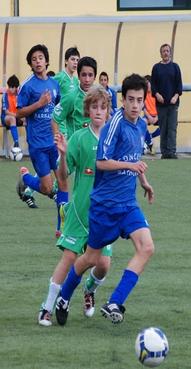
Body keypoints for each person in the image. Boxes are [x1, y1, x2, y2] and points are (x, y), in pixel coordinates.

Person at [55, 74, 155, 326]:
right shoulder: (115, 125)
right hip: (104, 206)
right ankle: (63, 297)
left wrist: (143, 182)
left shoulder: (141, 125)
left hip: (128, 204)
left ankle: (115, 302)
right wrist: (131, 166)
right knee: (90, 259)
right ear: (122, 100)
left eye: (139, 100)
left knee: (147, 247)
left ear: (144, 101)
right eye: (130, 99)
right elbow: (101, 162)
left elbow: (134, 159)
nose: (135, 105)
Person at [38, 86, 113, 326]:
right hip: (79, 212)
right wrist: (62, 153)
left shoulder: (113, 138)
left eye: (103, 107)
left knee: (103, 264)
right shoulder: (79, 139)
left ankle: (89, 290)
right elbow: (62, 178)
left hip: (103, 213)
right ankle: (46, 308)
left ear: (108, 111)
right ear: (88, 111)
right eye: (94, 107)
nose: (98, 111)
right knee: (69, 257)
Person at [16, 44, 64, 208]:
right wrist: (39, 103)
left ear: (46, 61)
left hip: (53, 143)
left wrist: (59, 133)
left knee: (63, 184)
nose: (37, 62)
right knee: (47, 188)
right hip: (37, 144)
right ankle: (26, 178)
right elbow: (19, 113)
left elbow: (58, 109)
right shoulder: (27, 85)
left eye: (40, 58)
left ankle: (63, 227)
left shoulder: (54, 84)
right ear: (30, 64)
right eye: (34, 59)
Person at [52, 56, 97, 139]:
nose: (87, 79)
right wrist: (60, 143)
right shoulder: (71, 97)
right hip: (76, 149)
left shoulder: (99, 96)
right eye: (84, 75)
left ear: (95, 77)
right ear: (78, 76)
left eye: (90, 75)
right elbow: (55, 119)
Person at [151, 43, 182, 159]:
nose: (165, 53)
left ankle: (172, 152)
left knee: (172, 127)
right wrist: (157, 94)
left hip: (173, 104)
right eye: (163, 51)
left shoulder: (175, 67)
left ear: (170, 52)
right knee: (163, 128)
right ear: (161, 53)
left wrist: (175, 96)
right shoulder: (156, 68)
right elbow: (153, 85)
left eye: (167, 51)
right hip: (161, 104)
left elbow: (179, 84)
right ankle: (164, 152)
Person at [1, 75, 25, 150]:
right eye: (10, 87)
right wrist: (17, 116)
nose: (10, 89)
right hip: (6, 118)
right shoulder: (5, 95)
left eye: (12, 87)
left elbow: (22, 109)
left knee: (29, 120)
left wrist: (23, 117)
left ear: (16, 87)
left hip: (17, 117)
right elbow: (7, 112)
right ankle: (16, 143)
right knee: (12, 119)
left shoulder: (19, 95)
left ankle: (32, 142)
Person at [143, 75, 160, 154]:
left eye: (148, 83)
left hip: (158, 116)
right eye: (145, 84)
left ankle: (150, 136)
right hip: (148, 116)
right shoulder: (143, 94)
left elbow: (161, 107)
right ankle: (150, 144)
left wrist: (156, 117)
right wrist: (149, 117)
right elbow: (143, 108)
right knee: (142, 123)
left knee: (167, 124)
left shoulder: (156, 94)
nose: (146, 85)